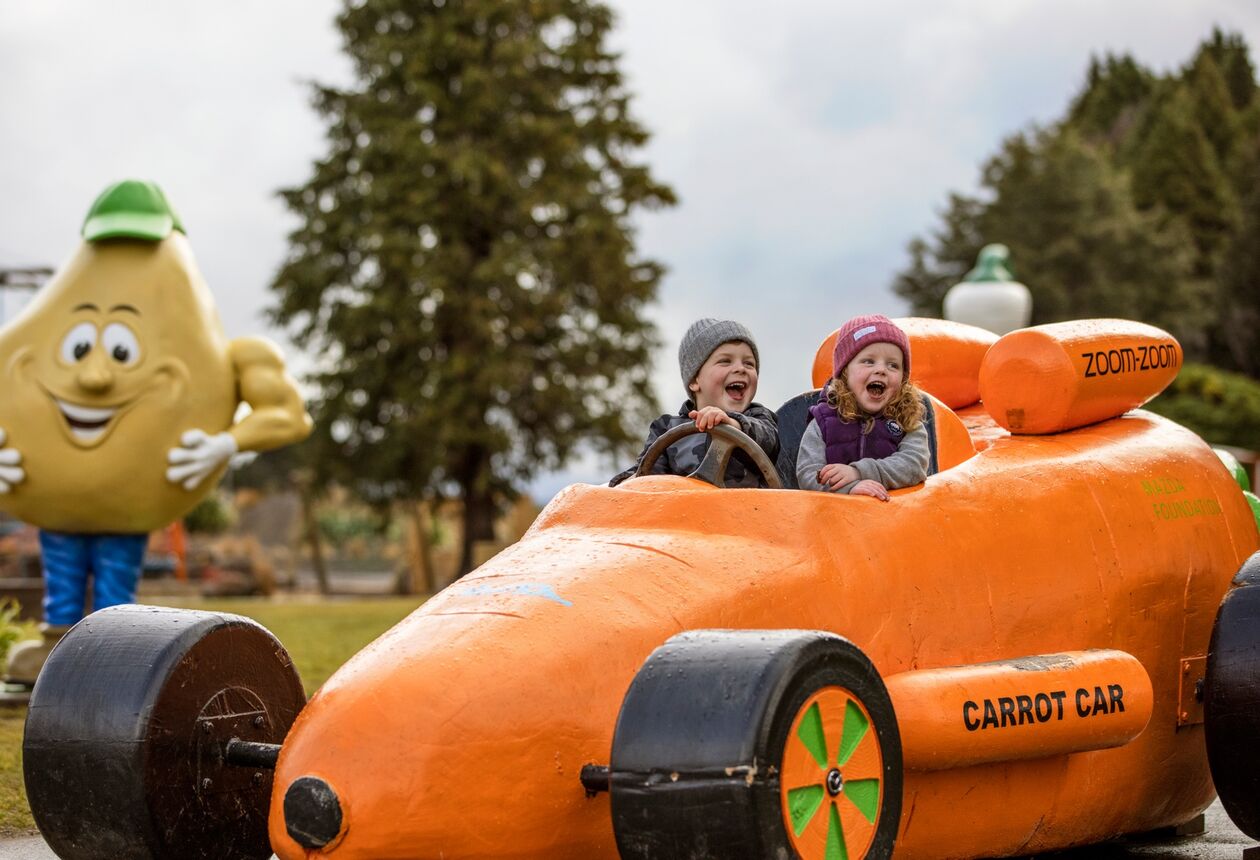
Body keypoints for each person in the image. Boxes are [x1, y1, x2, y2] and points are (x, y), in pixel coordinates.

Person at [610, 318, 778, 487]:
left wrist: (733, 424)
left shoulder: (759, 418)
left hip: (748, 510)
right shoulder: (666, 429)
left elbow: (771, 443)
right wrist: (623, 484)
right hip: (686, 510)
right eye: (725, 361)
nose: (741, 369)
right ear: (694, 381)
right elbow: (645, 476)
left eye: (749, 363)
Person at [796, 314, 929, 500]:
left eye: (893, 365)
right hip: (836, 519)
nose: (881, 370)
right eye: (868, 361)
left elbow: (914, 465)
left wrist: (859, 472)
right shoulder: (823, 421)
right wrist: (850, 487)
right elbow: (808, 473)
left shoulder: (906, 420)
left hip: (895, 518)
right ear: (845, 372)